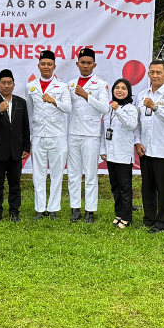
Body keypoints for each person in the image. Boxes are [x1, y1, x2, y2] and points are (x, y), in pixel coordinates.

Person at [25, 50, 72, 220]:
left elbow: (68, 108)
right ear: (38, 66)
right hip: (38, 135)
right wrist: (31, 135)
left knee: (57, 173)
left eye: (49, 64)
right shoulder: (30, 86)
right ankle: (40, 208)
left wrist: (54, 101)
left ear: (54, 66)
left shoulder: (62, 86)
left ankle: (53, 208)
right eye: (43, 64)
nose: (46, 67)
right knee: (38, 174)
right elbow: (30, 112)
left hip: (57, 135)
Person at [134, 60, 164, 233]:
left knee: (163, 189)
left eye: (158, 72)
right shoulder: (141, 95)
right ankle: (149, 219)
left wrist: (155, 107)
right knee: (147, 187)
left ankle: (161, 223)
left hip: (163, 149)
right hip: (146, 149)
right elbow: (137, 122)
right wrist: (137, 141)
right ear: (148, 74)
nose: (155, 75)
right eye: (152, 72)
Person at [67, 48, 111, 223]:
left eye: (88, 63)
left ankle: (90, 210)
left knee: (90, 174)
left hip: (91, 134)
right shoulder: (70, 84)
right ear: (77, 64)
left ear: (94, 65)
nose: (85, 66)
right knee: (73, 173)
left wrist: (87, 96)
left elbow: (105, 108)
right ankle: (75, 209)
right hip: (73, 132)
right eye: (82, 63)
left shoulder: (100, 84)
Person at [0, 70, 31, 222]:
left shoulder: (21, 102)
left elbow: (25, 126)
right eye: (3, 83)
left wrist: (26, 147)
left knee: (15, 184)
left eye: (9, 83)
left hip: (16, 149)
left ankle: (14, 212)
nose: (6, 86)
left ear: (13, 85)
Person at [99, 79, 138, 229]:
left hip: (123, 154)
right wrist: (103, 150)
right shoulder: (109, 108)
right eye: (117, 88)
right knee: (115, 186)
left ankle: (127, 218)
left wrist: (118, 110)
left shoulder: (131, 108)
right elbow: (104, 131)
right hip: (111, 153)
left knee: (124, 187)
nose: (120, 90)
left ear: (129, 91)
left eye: (123, 88)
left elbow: (131, 125)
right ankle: (119, 213)